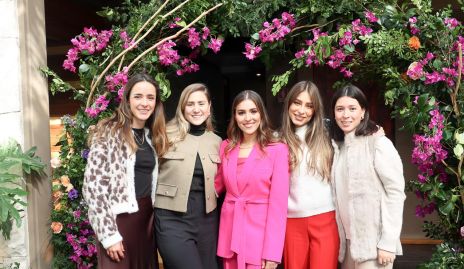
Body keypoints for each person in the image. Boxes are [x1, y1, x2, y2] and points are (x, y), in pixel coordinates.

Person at [83, 73, 169, 269]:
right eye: (138, 96)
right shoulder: (109, 132)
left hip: (147, 221)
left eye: (150, 97)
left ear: (156, 103)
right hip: (120, 223)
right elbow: (93, 188)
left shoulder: (152, 137)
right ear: (127, 100)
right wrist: (108, 235)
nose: (144, 103)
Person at [330, 85, 406, 269]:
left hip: (374, 245)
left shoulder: (378, 143)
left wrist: (388, 242)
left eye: (352, 108)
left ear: (363, 112)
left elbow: (395, 193)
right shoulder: (338, 147)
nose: (346, 115)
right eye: (340, 109)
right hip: (348, 245)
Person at [215, 90, 290, 269]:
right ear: (235, 116)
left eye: (253, 111)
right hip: (231, 233)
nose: (248, 118)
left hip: (260, 238)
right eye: (241, 113)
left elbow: (278, 206)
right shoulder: (226, 147)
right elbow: (214, 187)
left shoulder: (277, 149)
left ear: (261, 114)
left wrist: (272, 253)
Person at [154, 83, 222, 269]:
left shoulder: (217, 142)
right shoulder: (163, 135)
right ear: (182, 107)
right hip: (171, 220)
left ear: (209, 107)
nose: (196, 109)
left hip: (207, 221)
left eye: (201, 103)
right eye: (190, 104)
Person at [281, 81, 339, 269]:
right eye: (297, 103)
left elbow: (357, 129)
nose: (301, 110)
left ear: (315, 110)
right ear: (289, 103)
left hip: (325, 218)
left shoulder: (329, 136)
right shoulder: (276, 140)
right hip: (291, 222)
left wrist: (373, 131)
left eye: (309, 106)